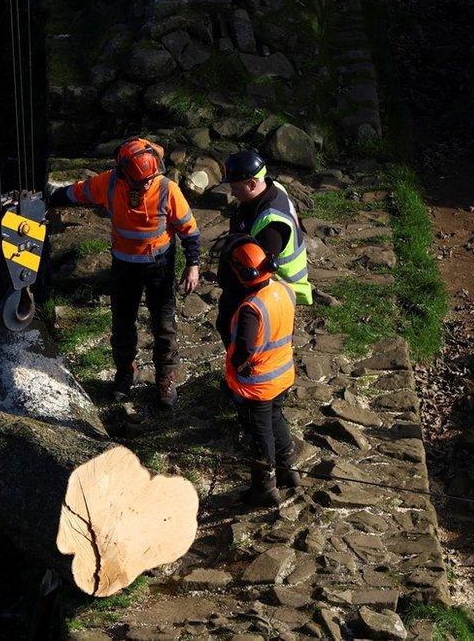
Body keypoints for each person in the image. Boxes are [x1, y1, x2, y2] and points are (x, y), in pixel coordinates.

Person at [48, 137, 201, 408]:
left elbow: (190, 231)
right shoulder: (108, 183)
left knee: (164, 326)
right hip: (124, 268)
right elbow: (76, 192)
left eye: (149, 179)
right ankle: (124, 375)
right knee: (122, 324)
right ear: (122, 173)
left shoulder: (167, 189)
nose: (145, 185)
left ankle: (165, 378)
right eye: (140, 181)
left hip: (159, 266)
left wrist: (193, 265)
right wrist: (47, 197)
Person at [224, 239, 302, 506]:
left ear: (242, 273)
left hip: (257, 384)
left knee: (259, 434)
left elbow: (245, 348)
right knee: (276, 418)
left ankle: (264, 487)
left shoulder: (251, 309)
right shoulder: (284, 290)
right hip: (282, 374)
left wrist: (235, 364)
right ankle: (288, 469)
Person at [216, 150, 312, 348]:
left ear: (252, 184)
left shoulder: (271, 225)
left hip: (276, 288)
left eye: (235, 187)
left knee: (247, 336)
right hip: (272, 284)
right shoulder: (272, 187)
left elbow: (257, 274)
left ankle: (243, 373)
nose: (232, 193)